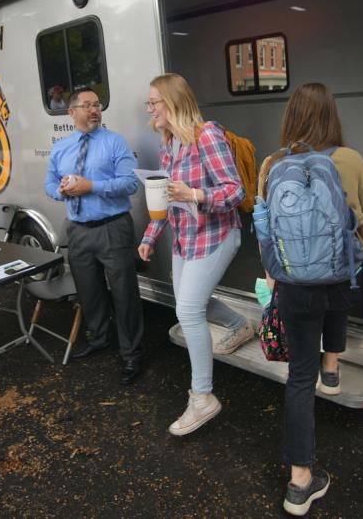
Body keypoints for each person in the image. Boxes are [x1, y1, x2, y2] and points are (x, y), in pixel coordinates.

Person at [259, 82, 363, 516]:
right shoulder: (349, 160)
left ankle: (300, 483)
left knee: (298, 377)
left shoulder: (273, 163)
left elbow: (268, 232)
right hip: (337, 280)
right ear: (333, 115)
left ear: (290, 117)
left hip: (292, 285)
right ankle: (332, 368)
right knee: (339, 293)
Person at [137, 73, 254, 436]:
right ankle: (240, 325)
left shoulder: (207, 135)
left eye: (153, 102)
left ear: (172, 102)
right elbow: (165, 200)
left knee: (188, 308)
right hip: (186, 238)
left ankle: (202, 397)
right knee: (188, 302)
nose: (150, 109)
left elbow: (235, 192)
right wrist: (151, 236)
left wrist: (196, 195)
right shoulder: (169, 145)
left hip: (218, 235)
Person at [44, 87, 144, 383]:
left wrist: (93, 187)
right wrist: (59, 191)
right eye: (86, 105)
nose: (94, 110)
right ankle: (100, 338)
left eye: (97, 105)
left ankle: (131, 354)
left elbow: (130, 184)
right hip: (77, 230)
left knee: (125, 295)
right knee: (89, 292)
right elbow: (48, 183)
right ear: (71, 112)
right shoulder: (61, 148)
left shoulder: (115, 143)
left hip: (113, 228)